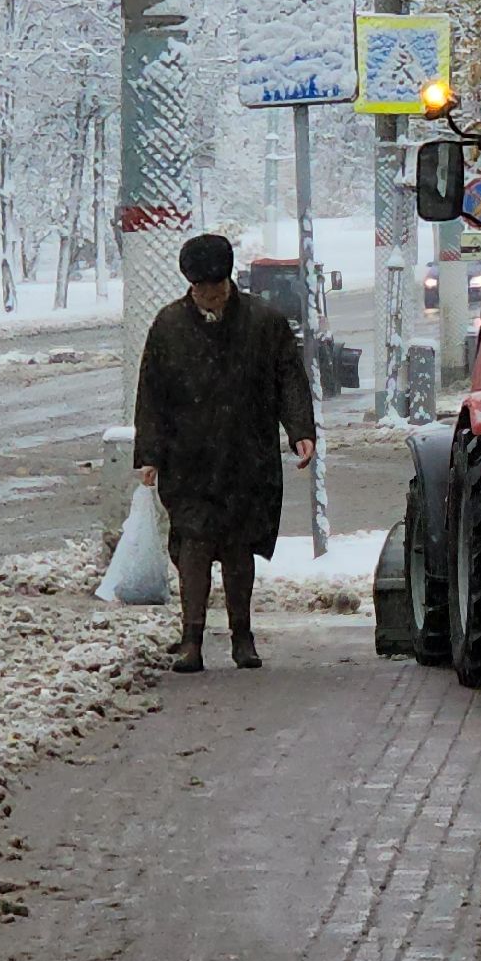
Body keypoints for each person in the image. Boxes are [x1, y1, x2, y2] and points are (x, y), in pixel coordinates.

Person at [134, 235, 317, 673]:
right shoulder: (169, 326)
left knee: (238, 548)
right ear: (190, 286)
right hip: (189, 457)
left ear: (228, 281)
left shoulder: (263, 322)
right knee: (193, 546)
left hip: (245, 454)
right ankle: (191, 640)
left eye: (215, 289)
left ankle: (242, 638)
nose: (209, 297)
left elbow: (288, 378)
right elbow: (151, 394)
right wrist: (150, 454)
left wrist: (300, 431)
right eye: (201, 290)